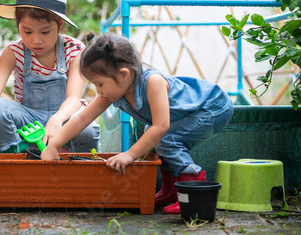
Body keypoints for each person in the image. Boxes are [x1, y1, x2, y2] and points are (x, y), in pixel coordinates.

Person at [41, 33, 234, 214]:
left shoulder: (153, 82)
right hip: (196, 112)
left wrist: (130, 155)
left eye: (99, 84)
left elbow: (162, 126)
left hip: (213, 107)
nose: (98, 91)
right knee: (155, 136)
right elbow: (82, 118)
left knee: (164, 137)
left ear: (123, 74)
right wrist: (55, 144)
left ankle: (193, 196)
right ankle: (171, 192)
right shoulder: (114, 90)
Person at [0, 0, 99, 154]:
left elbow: (74, 99)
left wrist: (57, 119)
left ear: (60, 25)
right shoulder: (14, 52)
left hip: (65, 117)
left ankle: (75, 161)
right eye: (27, 32)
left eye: (45, 32)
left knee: (88, 129)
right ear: (18, 25)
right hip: (30, 121)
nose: (36, 40)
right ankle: (16, 156)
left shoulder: (73, 49)